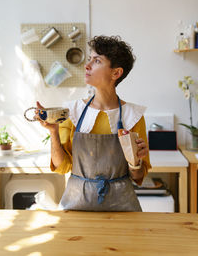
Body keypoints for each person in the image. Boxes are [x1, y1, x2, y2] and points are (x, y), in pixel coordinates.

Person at [37, 35, 151, 211]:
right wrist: (53, 132)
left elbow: (137, 177)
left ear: (116, 73)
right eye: (89, 59)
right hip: (76, 205)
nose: (87, 65)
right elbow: (63, 167)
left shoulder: (133, 116)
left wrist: (136, 161)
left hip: (122, 208)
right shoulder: (73, 112)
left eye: (96, 61)